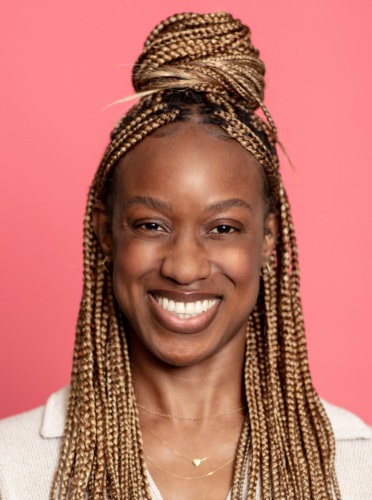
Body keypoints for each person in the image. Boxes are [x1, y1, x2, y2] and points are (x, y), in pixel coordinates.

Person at [0, 11, 371, 500]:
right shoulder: (11, 463)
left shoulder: (357, 463)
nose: (185, 267)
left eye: (222, 228)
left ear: (268, 240)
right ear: (105, 233)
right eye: (151, 225)